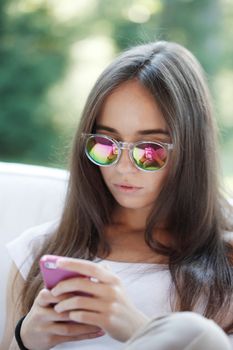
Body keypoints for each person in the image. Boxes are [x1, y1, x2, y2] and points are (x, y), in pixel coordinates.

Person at [1, 40, 233, 350]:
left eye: (150, 150)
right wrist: (25, 339)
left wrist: (138, 327)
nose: (123, 168)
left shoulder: (225, 266)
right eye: (107, 144)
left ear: (191, 151)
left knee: (198, 334)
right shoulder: (37, 251)